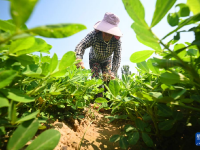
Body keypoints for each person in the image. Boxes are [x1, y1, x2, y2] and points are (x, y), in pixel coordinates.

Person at [75, 12, 122, 97]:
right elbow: (81, 45)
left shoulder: (117, 41)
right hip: (94, 59)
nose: (106, 35)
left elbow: (117, 57)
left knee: (108, 78)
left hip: (107, 60)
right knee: (96, 78)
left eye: (109, 32)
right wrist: (78, 57)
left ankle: (108, 101)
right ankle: (98, 100)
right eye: (104, 31)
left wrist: (113, 72)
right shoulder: (94, 35)